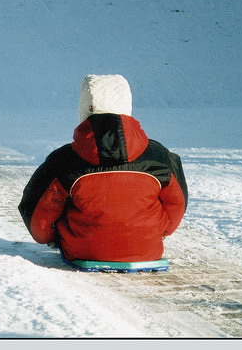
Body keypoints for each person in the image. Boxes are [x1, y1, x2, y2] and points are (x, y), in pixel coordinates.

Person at [18, 74, 187, 264]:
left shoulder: (63, 159)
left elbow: (36, 214)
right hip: (146, 250)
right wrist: (157, 232)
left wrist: (53, 237)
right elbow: (176, 205)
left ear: (84, 107)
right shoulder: (160, 156)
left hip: (84, 250)